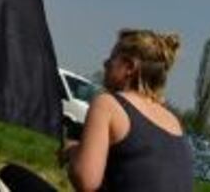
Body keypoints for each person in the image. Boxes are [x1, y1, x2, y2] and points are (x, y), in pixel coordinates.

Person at [60, 29, 193, 191]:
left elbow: (85, 180)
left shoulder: (108, 105)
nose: (105, 63)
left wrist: (72, 152)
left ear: (129, 67)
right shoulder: (174, 122)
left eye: (112, 58)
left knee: (22, 178)